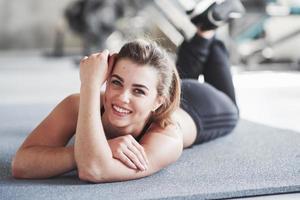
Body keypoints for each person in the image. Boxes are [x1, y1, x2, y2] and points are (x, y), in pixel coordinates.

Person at [11, 0, 241, 183]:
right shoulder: (77, 104)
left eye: (138, 91)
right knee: (179, 75)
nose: (121, 97)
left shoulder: (168, 136)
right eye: (116, 82)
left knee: (228, 103)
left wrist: (89, 86)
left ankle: (208, 34)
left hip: (206, 107)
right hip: (163, 91)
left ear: (158, 102)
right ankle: (203, 31)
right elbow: (22, 164)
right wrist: (94, 149)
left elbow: (94, 169)